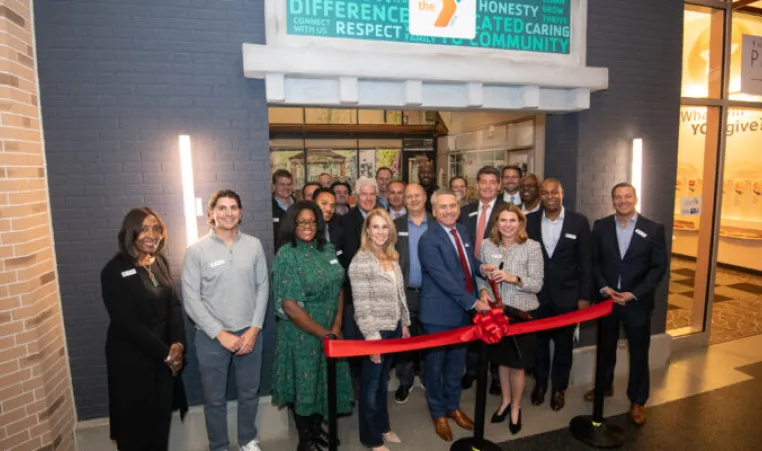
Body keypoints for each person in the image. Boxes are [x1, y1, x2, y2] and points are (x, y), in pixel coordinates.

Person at [182, 190, 269, 451]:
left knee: (249, 393)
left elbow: (263, 287)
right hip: (212, 339)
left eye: (233, 207)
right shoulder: (196, 250)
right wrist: (221, 334)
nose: (228, 213)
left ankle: (247, 439)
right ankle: (218, 445)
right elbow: (191, 300)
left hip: (250, 333)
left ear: (240, 213)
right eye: (222, 208)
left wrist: (254, 329)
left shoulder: (253, 245)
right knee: (214, 399)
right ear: (211, 213)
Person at [101, 207, 188, 451]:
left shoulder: (159, 262)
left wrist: (178, 345)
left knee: (160, 425)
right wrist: (165, 353)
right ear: (131, 232)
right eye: (144, 229)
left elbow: (173, 307)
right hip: (132, 363)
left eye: (157, 228)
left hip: (164, 363)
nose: (152, 234)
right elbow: (126, 323)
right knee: (134, 430)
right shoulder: (114, 270)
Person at [271, 201, 353, 451]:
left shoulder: (327, 248)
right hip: (302, 334)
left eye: (312, 221)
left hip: (330, 328)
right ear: (292, 225)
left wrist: (336, 324)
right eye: (301, 222)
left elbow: (338, 285)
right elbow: (291, 306)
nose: (307, 226)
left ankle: (318, 431)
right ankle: (306, 440)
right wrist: (324, 333)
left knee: (322, 381)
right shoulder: (287, 254)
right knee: (305, 385)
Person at [586, 182, 667, 425]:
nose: (623, 201)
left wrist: (636, 293)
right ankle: (604, 386)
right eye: (618, 197)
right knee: (605, 348)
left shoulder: (653, 229)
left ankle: (637, 400)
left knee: (639, 353)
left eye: (627, 196)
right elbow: (594, 261)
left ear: (636, 198)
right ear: (612, 200)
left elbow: (658, 267)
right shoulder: (601, 226)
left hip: (636, 302)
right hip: (608, 300)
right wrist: (603, 287)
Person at [418, 189, 492, 442]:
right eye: (443, 207)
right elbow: (444, 279)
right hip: (439, 314)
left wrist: (481, 268)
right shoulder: (428, 239)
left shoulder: (461, 230)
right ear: (435, 211)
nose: (449, 210)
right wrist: (473, 303)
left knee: (456, 366)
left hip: (462, 314)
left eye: (453, 205)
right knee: (435, 368)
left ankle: (453, 406)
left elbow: (467, 262)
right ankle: (438, 412)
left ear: (459, 208)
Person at [526, 178, 592, 411]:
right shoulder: (530, 221)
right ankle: (541, 384)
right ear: (540, 196)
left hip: (568, 297)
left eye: (554, 192)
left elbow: (586, 262)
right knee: (539, 346)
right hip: (538, 297)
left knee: (564, 347)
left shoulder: (579, 222)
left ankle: (559, 389)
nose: (550, 196)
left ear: (562, 193)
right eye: (545, 193)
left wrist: (584, 297)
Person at [478, 203, 543, 435]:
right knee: (502, 363)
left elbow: (537, 283)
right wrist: (483, 291)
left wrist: (511, 277)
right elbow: (481, 277)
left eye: (512, 220)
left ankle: (516, 408)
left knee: (517, 366)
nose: (507, 225)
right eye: (503, 220)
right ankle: (505, 401)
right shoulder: (487, 245)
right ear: (496, 224)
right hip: (496, 315)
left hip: (522, 314)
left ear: (520, 223)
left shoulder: (532, 247)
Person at [349, 209, 411, 451]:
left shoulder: (391, 256)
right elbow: (361, 307)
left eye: (384, 227)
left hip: (394, 328)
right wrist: (373, 339)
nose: (380, 232)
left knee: (383, 382)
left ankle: (383, 427)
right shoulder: (360, 261)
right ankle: (372, 438)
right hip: (375, 332)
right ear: (367, 231)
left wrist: (404, 322)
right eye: (375, 227)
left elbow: (399, 294)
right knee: (371, 387)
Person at [458, 166, 503, 395]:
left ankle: (495, 375)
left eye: (492, 182)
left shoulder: (507, 210)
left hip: (496, 278)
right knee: (472, 324)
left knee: (496, 324)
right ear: (476, 184)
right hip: (469, 278)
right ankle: (473, 370)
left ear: (499, 185)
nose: (487, 186)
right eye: (483, 181)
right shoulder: (465, 211)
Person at [392, 183, 433, 404]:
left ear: (425, 197)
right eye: (409, 197)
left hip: (432, 293)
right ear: (404, 201)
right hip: (405, 293)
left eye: (418, 195)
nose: (414, 200)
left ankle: (428, 378)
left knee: (430, 337)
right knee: (404, 339)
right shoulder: (395, 225)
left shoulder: (436, 224)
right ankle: (405, 381)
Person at [273, 169, 295, 250]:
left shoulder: (299, 207)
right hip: (277, 256)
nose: (286, 187)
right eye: (282, 184)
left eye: (289, 184)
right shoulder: (269, 209)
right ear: (274, 185)